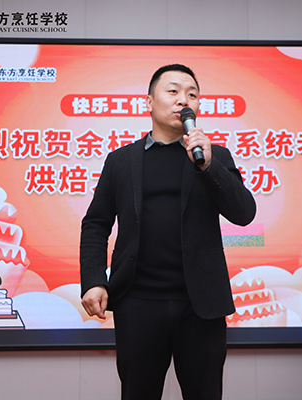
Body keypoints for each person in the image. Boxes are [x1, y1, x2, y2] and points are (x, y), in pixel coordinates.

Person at [80, 64, 256, 400]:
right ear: (149, 102)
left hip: (201, 305)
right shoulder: (121, 161)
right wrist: (93, 280)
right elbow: (96, 223)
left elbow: (244, 214)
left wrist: (208, 167)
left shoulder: (214, 157)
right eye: (173, 91)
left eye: (192, 94)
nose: (183, 100)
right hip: (138, 303)